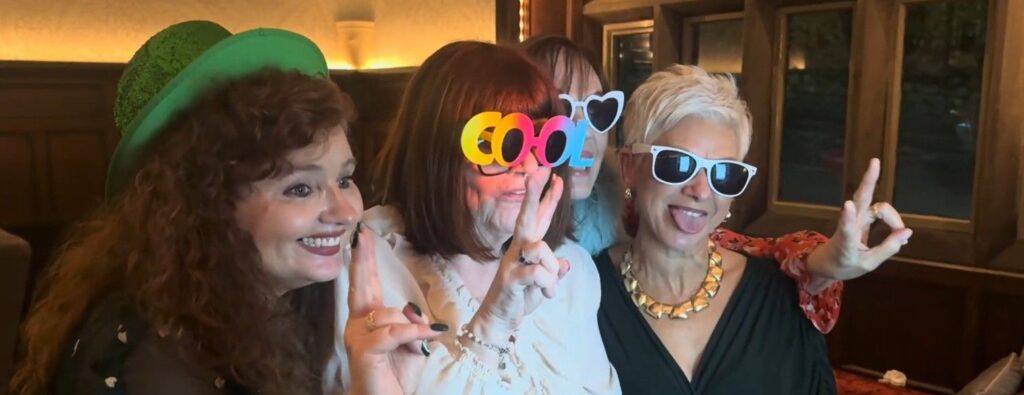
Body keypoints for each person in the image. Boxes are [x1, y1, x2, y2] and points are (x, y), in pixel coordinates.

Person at [11, 21, 370, 394]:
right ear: (205, 204)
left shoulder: (256, 310)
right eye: (299, 189)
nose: (345, 211)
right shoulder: (155, 359)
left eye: (345, 180)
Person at [596, 65, 912, 394]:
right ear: (629, 167)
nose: (701, 191)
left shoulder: (781, 299)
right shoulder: (580, 295)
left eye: (725, 174)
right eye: (676, 163)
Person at [326, 41, 620, 394]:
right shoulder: (364, 260)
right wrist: (493, 323)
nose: (528, 166)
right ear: (437, 152)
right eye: (505, 143)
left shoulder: (571, 268)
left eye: (543, 140)